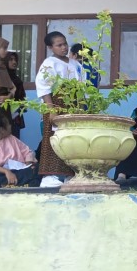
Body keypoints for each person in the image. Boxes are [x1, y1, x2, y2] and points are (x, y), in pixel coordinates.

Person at [35, 31, 84, 185]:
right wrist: (51, 109)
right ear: (51, 47)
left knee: (73, 139)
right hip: (56, 104)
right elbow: (43, 87)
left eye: (65, 44)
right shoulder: (50, 64)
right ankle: (52, 175)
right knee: (55, 138)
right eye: (59, 45)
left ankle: (70, 174)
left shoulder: (76, 64)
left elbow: (82, 88)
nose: (64, 47)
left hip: (73, 106)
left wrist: (82, 108)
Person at [5, 51, 27, 139]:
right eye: (10, 60)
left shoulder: (17, 80)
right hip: (0, 117)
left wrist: (18, 109)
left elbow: (22, 99)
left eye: (15, 60)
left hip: (14, 117)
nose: (14, 62)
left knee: (13, 144)